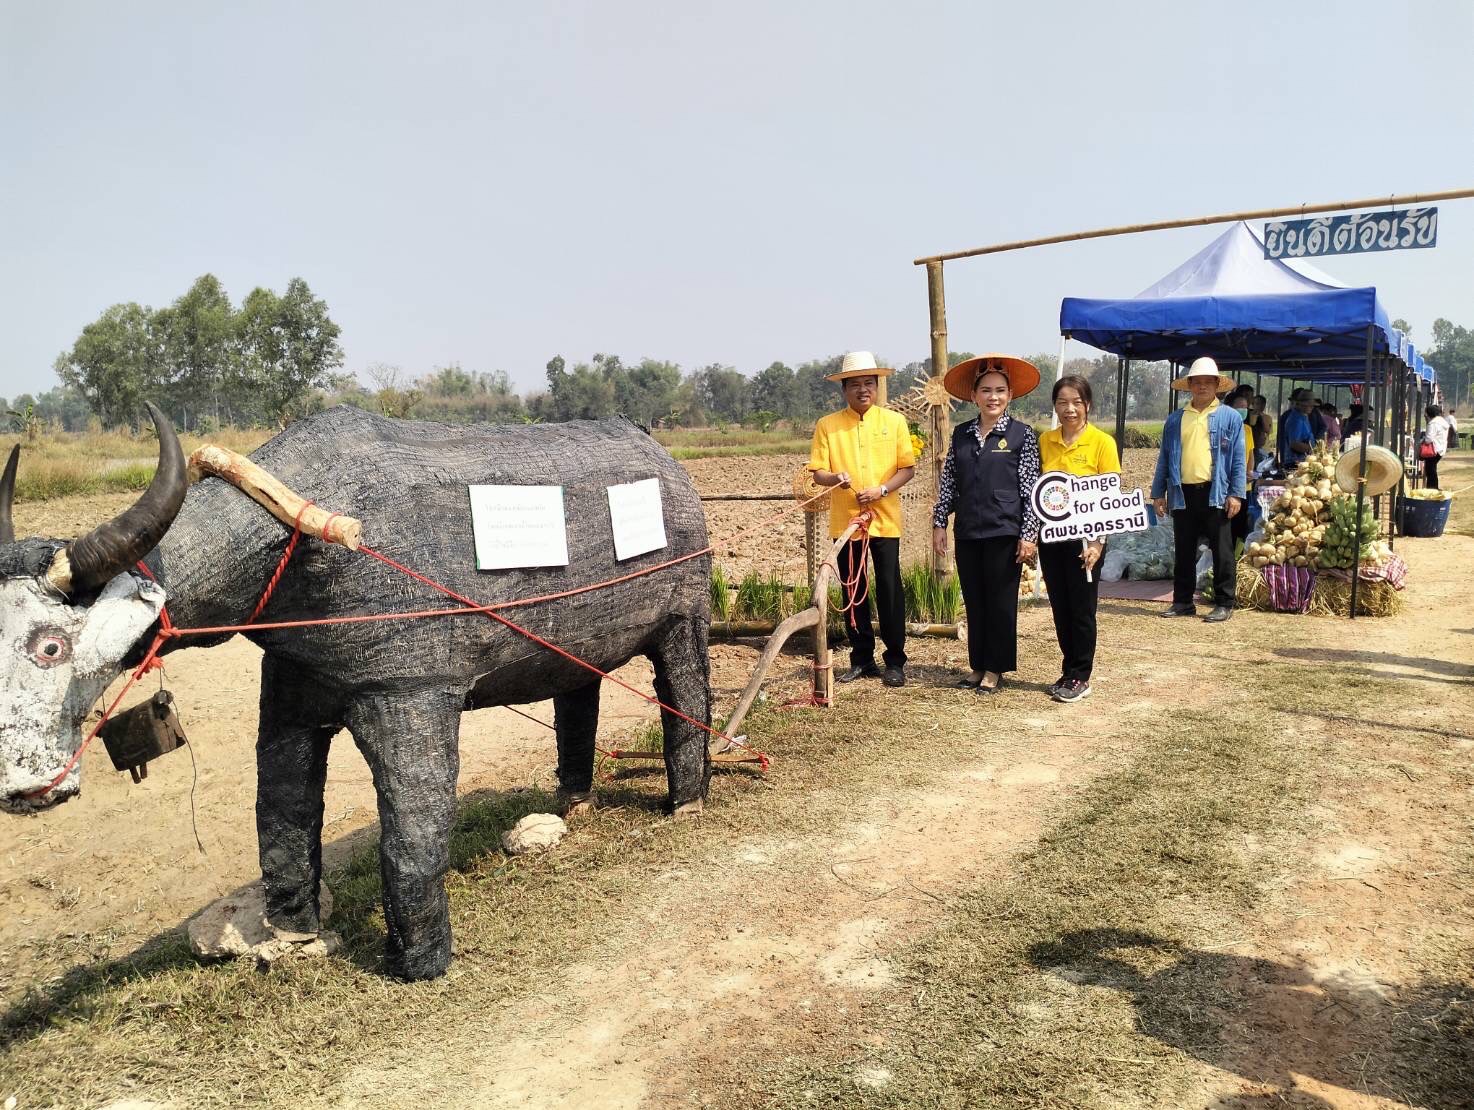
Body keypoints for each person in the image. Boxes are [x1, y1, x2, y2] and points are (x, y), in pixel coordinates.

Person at [932, 354, 1041, 694]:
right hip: (968, 530)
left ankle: (996, 667)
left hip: (1004, 531)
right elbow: (949, 481)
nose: (993, 397)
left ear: (1010, 395)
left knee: (1001, 602)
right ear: (974, 396)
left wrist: (1028, 534)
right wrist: (939, 522)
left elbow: (1031, 488)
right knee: (975, 601)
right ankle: (977, 665)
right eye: (986, 390)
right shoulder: (962, 434)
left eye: (1000, 390)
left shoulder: (1022, 435)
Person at [807, 351, 916, 687]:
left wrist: (882, 489)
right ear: (844, 389)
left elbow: (907, 469)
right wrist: (834, 478)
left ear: (878, 386)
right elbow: (818, 473)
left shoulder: (894, 422)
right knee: (853, 589)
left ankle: (895, 661)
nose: (863, 389)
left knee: (889, 588)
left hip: (884, 518)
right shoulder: (828, 425)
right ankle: (862, 658)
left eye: (869, 382)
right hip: (847, 521)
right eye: (855, 384)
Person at [1036, 375, 1119, 703]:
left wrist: (1098, 544)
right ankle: (1069, 669)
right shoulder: (1046, 441)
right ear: (1054, 406)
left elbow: (1109, 496)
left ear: (1088, 405)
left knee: (1082, 609)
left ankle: (1081, 675)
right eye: (1062, 402)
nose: (1069, 409)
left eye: (1076, 402)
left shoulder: (1102, 443)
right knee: (1060, 606)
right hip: (1052, 537)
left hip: (1086, 540)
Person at [1151, 357, 1246, 623]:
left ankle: (1224, 602)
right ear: (1189, 386)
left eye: (1208, 382)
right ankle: (1182, 602)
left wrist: (1236, 493)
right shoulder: (1175, 420)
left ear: (1217, 385)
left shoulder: (1230, 417)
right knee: (1183, 549)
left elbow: (1238, 458)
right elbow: (1164, 457)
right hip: (1183, 492)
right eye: (1197, 382)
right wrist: (1158, 492)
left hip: (1216, 492)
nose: (1202, 386)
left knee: (1222, 550)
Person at [1227, 392, 1256, 552]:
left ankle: (1235, 557)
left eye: (1245, 408)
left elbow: (1250, 453)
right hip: (1230, 486)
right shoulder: (1224, 428)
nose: (1243, 410)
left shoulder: (1247, 430)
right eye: (1239, 407)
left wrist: (1250, 471)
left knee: (1240, 525)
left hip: (1245, 486)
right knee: (1227, 524)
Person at [1277, 389, 1316, 467]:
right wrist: (1312, 449)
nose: (1312, 407)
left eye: (1312, 405)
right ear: (1301, 405)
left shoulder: (1303, 416)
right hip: (1295, 462)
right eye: (1310, 405)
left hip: (1302, 461)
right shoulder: (1296, 419)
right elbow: (1294, 444)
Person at [1423, 404, 1451, 490]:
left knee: (1430, 471)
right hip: (1440, 449)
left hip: (1433, 450)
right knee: (1432, 469)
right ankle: (1434, 488)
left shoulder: (1433, 423)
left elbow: (1428, 439)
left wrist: (1422, 439)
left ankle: (1432, 488)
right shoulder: (1442, 422)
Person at [1252, 395, 1273, 469]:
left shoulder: (1267, 417)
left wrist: (1261, 418)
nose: (1259, 406)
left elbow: (1268, 431)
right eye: (1257, 404)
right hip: (1253, 447)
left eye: (1262, 404)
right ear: (1253, 405)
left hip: (1265, 448)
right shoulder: (1250, 416)